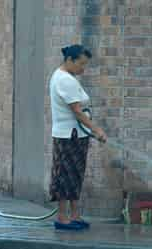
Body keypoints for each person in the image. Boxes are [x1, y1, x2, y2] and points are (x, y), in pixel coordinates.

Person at [49, 44, 107, 230]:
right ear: (69, 61)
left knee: (75, 174)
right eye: (81, 64)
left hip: (75, 134)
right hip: (70, 135)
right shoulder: (65, 80)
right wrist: (97, 130)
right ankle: (62, 218)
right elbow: (77, 111)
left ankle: (74, 215)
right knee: (66, 175)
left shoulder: (67, 77)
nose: (83, 68)